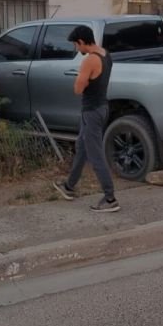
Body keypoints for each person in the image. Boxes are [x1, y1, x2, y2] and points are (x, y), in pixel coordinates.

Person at [52, 25, 120, 212]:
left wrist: (81, 76)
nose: (76, 48)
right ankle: (69, 186)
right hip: (101, 107)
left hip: (92, 112)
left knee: (95, 155)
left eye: (76, 45)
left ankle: (110, 198)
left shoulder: (89, 60)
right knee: (81, 148)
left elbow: (78, 89)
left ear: (82, 41)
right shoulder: (105, 54)